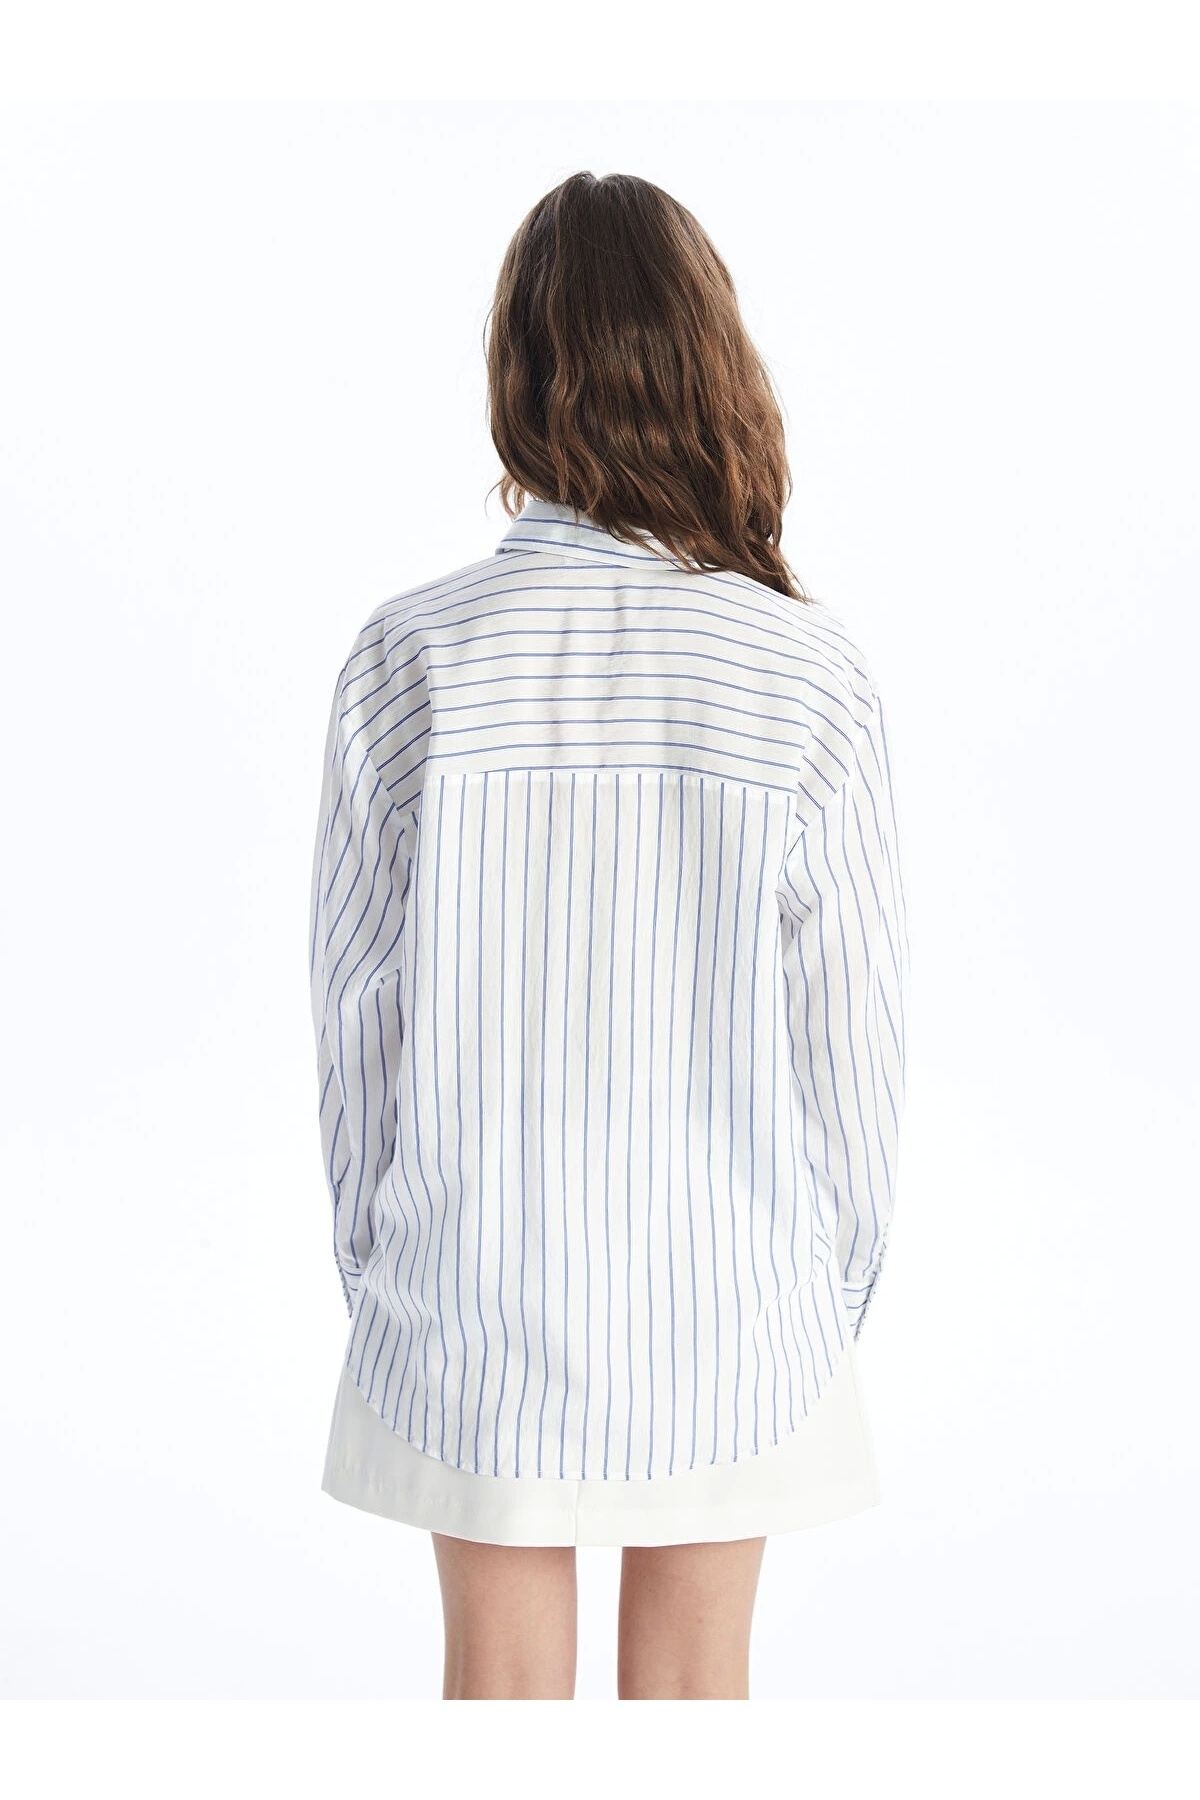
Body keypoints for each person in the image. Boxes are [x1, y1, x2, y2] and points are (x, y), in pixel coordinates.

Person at [307, 169, 910, 1700]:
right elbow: (854, 1050)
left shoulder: (411, 656)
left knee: (498, 1703)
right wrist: (815, 1306)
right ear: (712, 361)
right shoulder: (806, 672)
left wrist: (389, 1276)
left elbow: (356, 1027)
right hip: (735, 1302)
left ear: (517, 372)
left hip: (472, 1291)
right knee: (695, 1708)